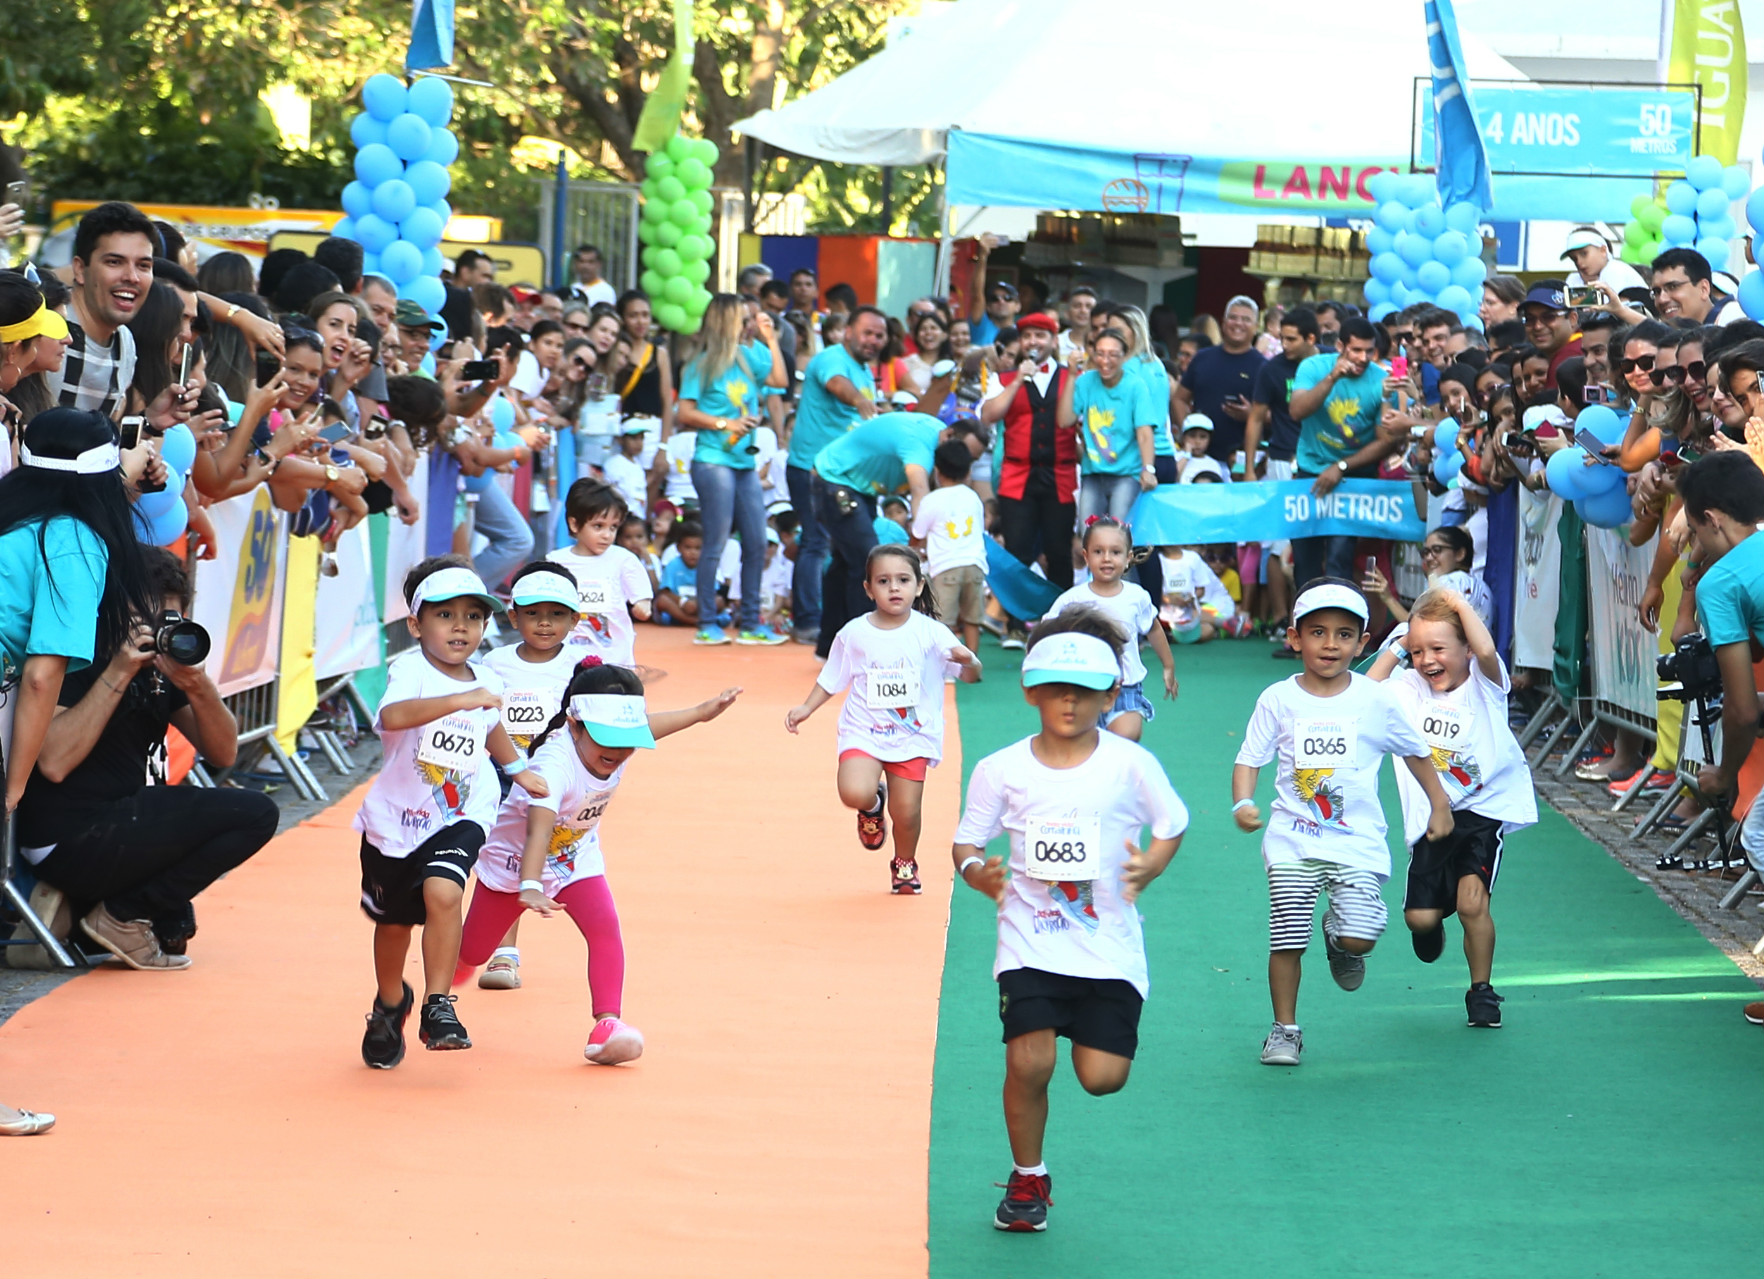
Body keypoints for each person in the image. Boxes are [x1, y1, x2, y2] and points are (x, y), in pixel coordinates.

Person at [952, 608, 1187, 1233]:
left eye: (1085, 690)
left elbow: (1173, 823)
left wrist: (1153, 866)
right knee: (1028, 1062)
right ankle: (1028, 1177)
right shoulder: (1000, 769)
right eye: (1056, 686)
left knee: (1101, 1078)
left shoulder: (1129, 764)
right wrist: (978, 873)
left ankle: (1086, 1043)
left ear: (1112, 693)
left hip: (1107, 948)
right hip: (1028, 942)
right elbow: (967, 844)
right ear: (1029, 688)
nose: (1069, 701)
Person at [456, 659, 740, 1061]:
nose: (620, 751)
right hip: (516, 865)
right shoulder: (555, 766)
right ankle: (442, 980)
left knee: (605, 928)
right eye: (608, 738)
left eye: (628, 740)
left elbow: (653, 725)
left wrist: (699, 714)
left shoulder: (612, 744)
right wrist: (532, 885)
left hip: (576, 859)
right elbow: (539, 828)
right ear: (574, 725)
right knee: (472, 953)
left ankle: (608, 1025)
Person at [18, 545, 279, 968]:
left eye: (168, 621)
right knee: (255, 812)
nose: (156, 631)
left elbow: (224, 751)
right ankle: (118, 915)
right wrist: (118, 671)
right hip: (63, 834)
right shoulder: (79, 654)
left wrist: (198, 686)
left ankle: (85, 908)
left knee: (176, 929)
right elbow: (54, 762)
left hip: (118, 822)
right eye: (145, 618)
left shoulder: (162, 665)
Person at [1232, 580, 1452, 1066]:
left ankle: (1340, 939)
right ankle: (1284, 1030)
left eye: (1344, 634)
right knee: (1287, 934)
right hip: (1293, 839)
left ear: (1363, 642)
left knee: (1360, 936)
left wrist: (1439, 804)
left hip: (1357, 843)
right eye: (1317, 632)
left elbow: (1416, 753)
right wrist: (1242, 802)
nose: (1330, 644)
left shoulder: (1375, 700)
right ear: (1294, 638)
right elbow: (1249, 758)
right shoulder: (1278, 699)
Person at [354, 558, 548, 1067]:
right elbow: (392, 717)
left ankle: (440, 1005)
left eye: (473, 616)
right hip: (397, 819)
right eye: (445, 615)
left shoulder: (485, 680)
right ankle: (389, 1002)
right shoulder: (410, 670)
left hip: (461, 811)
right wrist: (458, 698)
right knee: (394, 924)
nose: (461, 626)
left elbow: (492, 729)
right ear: (417, 625)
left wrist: (519, 769)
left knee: (444, 890)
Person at [1365, 589, 1536, 1028]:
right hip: (1431, 820)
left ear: (1464, 649)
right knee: (1419, 919)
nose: (1427, 660)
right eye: (1419, 652)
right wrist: (1401, 642)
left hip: (1483, 811)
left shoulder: (1486, 683)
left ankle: (1482, 992)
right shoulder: (1409, 690)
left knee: (1472, 903)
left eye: (1439, 649)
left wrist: (1453, 602)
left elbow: (1485, 647)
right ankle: (1431, 923)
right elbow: (1366, 692)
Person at [785, 544, 982, 893]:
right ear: (868, 588)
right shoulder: (854, 633)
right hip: (864, 730)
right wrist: (806, 708)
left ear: (919, 586)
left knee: (906, 813)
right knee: (853, 792)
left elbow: (969, 676)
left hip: (913, 735)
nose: (894, 588)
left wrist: (969, 660)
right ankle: (873, 804)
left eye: (903, 580)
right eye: (884, 580)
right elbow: (832, 677)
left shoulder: (932, 633)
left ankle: (904, 862)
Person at [809, 411, 984, 659]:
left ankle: (831, 647)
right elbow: (919, 489)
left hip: (856, 485)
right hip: (836, 480)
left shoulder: (936, 433)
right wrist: (921, 537)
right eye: (961, 452)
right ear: (949, 435)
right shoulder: (919, 446)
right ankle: (864, 649)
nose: (962, 461)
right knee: (868, 562)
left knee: (844, 564)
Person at [676, 293, 790, 647]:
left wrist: (771, 340)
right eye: (743, 319)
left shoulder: (750, 352)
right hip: (713, 459)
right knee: (717, 540)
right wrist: (726, 424)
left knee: (757, 539)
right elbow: (685, 412)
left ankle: (750, 623)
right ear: (727, 322)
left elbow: (781, 381)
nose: (750, 323)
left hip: (742, 462)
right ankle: (707, 623)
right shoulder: (701, 363)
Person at [788, 306, 886, 645]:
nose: (873, 340)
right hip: (812, 470)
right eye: (867, 333)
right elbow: (836, 385)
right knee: (815, 543)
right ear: (848, 332)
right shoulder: (833, 359)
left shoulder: (864, 370)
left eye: (879, 335)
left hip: (845, 477)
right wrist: (860, 400)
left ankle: (834, 634)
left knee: (845, 556)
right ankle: (806, 622)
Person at [980, 313, 1078, 642]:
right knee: (1018, 550)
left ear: (1053, 341)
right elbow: (988, 416)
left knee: (1059, 550)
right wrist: (1018, 380)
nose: (1034, 341)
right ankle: (1014, 625)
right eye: (1028, 336)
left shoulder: (1072, 376)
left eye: (1041, 335)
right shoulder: (1005, 376)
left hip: (1061, 473)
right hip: (1017, 473)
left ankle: (1063, 621)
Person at [1285, 316, 1402, 585]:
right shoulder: (1313, 367)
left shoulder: (1381, 380)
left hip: (1355, 476)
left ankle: (1339, 624)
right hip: (1310, 472)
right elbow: (1297, 411)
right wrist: (1332, 378)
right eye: (1356, 350)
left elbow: (1386, 441)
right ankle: (1303, 623)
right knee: (1305, 557)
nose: (1363, 358)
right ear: (1340, 346)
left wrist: (1341, 467)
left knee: (1340, 556)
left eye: (1369, 351)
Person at [1042, 515, 1177, 741]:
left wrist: (1168, 665)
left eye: (1115, 552)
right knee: (1085, 744)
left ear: (1128, 558)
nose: (1106, 559)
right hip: (1084, 686)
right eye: (1098, 552)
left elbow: (1153, 629)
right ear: (1086, 556)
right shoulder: (1073, 599)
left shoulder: (1136, 596)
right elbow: (1046, 630)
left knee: (1126, 735)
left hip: (1126, 686)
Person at [547, 480, 654, 665]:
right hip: (568, 659)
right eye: (598, 526)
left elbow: (642, 596)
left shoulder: (623, 560)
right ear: (574, 524)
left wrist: (643, 605)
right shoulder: (555, 562)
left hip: (615, 659)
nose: (607, 534)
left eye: (613, 527)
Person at [1057, 329, 1156, 523]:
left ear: (1125, 356)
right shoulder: (1085, 381)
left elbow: (1144, 432)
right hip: (1093, 473)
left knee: (1118, 532)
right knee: (1089, 533)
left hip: (1127, 473)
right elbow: (1064, 420)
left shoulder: (1136, 386)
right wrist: (1071, 375)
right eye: (1100, 353)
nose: (1105, 361)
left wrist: (1148, 469)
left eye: (1113, 355)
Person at [911, 438, 988, 657]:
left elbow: (917, 535)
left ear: (937, 471)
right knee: (973, 618)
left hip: (946, 568)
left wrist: (917, 551)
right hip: (975, 565)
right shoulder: (973, 498)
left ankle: (945, 666)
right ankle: (972, 661)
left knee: (944, 621)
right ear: (967, 471)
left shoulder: (932, 500)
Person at [1174, 295, 1265, 468]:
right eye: (1233, 317)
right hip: (1199, 460)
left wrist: (1252, 415)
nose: (1238, 323)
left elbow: (1277, 415)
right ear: (1223, 322)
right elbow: (1179, 398)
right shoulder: (1202, 358)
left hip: (1240, 461)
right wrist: (1190, 431)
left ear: (1255, 327)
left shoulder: (1263, 366)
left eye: (1246, 319)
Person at [1243, 305, 1318, 484]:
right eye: (1282, 338)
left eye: (1292, 339)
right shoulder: (1271, 369)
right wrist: (1249, 470)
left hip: (1324, 457)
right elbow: (1256, 419)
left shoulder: (1331, 361)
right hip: (1283, 458)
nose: (1284, 345)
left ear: (1310, 338)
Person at [1519, 282, 1581, 391]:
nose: (1537, 326)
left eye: (1548, 317)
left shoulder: (1571, 356)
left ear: (1572, 318)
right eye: (1530, 319)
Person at [1562, 226, 1644, 297]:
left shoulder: (1614, 270)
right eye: (1573, 258)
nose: (1579, 262)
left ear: (1603, 250)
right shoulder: (1574, 278)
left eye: (1584, 254)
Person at [567, 244, 617, 309]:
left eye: (590, 262)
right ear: (575, 263)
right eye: (581, 261)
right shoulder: (573, 288)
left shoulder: (605, 291)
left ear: (599, 264)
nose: (585, 266)